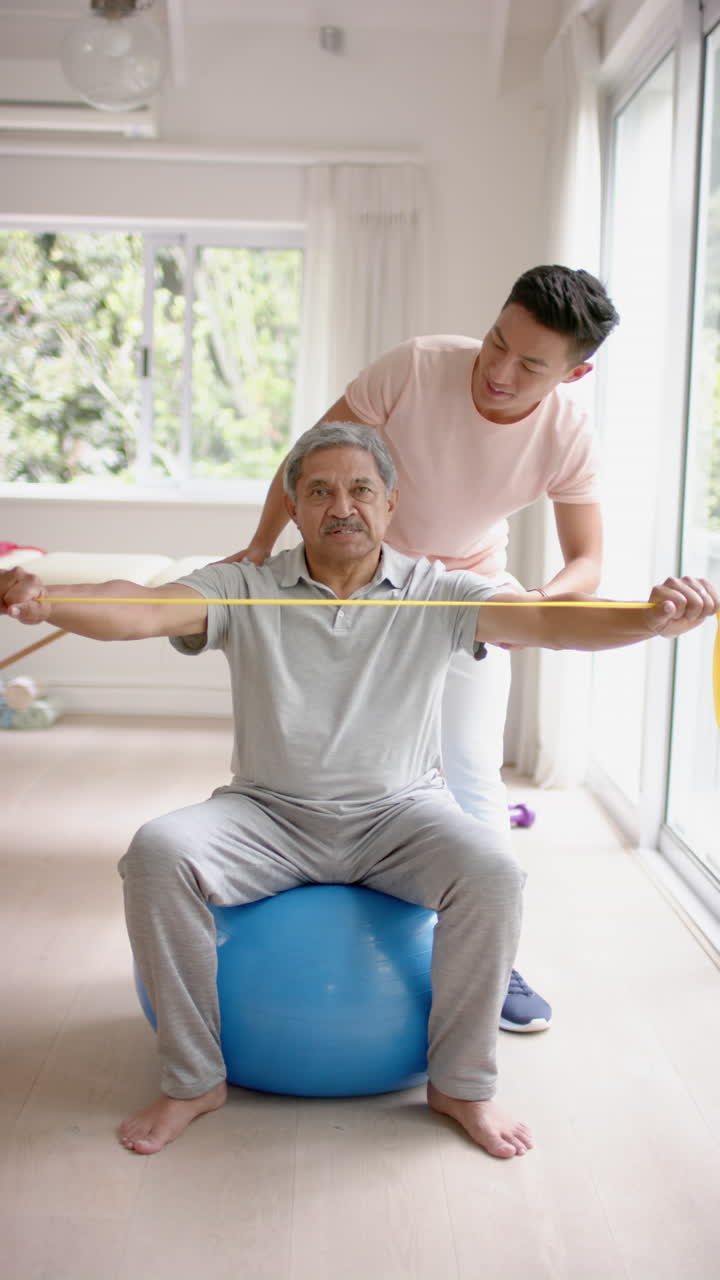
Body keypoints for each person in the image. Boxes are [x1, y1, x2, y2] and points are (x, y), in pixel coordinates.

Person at [2, 423, 716, 1163]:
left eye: (359, 489)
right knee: (157, 853)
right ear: (296, 507)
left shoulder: (440, 591)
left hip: (400, 815)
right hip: (266, 814)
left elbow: (549, 621)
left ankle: (462, 1084)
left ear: (390, 502)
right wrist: (48, 601)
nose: (340, 505)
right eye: (319, 491)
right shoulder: (246, 586)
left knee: (494, 872)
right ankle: (193, 1079)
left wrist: (649, 618)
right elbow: (141, 607)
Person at [220, 264, 622, 1032]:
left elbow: (588, 561)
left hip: (463, 590)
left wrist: (541, 606)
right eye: (497, 341)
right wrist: (259, 545)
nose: (498, 371)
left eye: (530, 365)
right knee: (308, 749)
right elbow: (312, 456)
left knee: (471, 771)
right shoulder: (417, 365)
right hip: (362, 578)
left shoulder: (568, 430)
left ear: (576, 371)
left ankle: (496, 960)